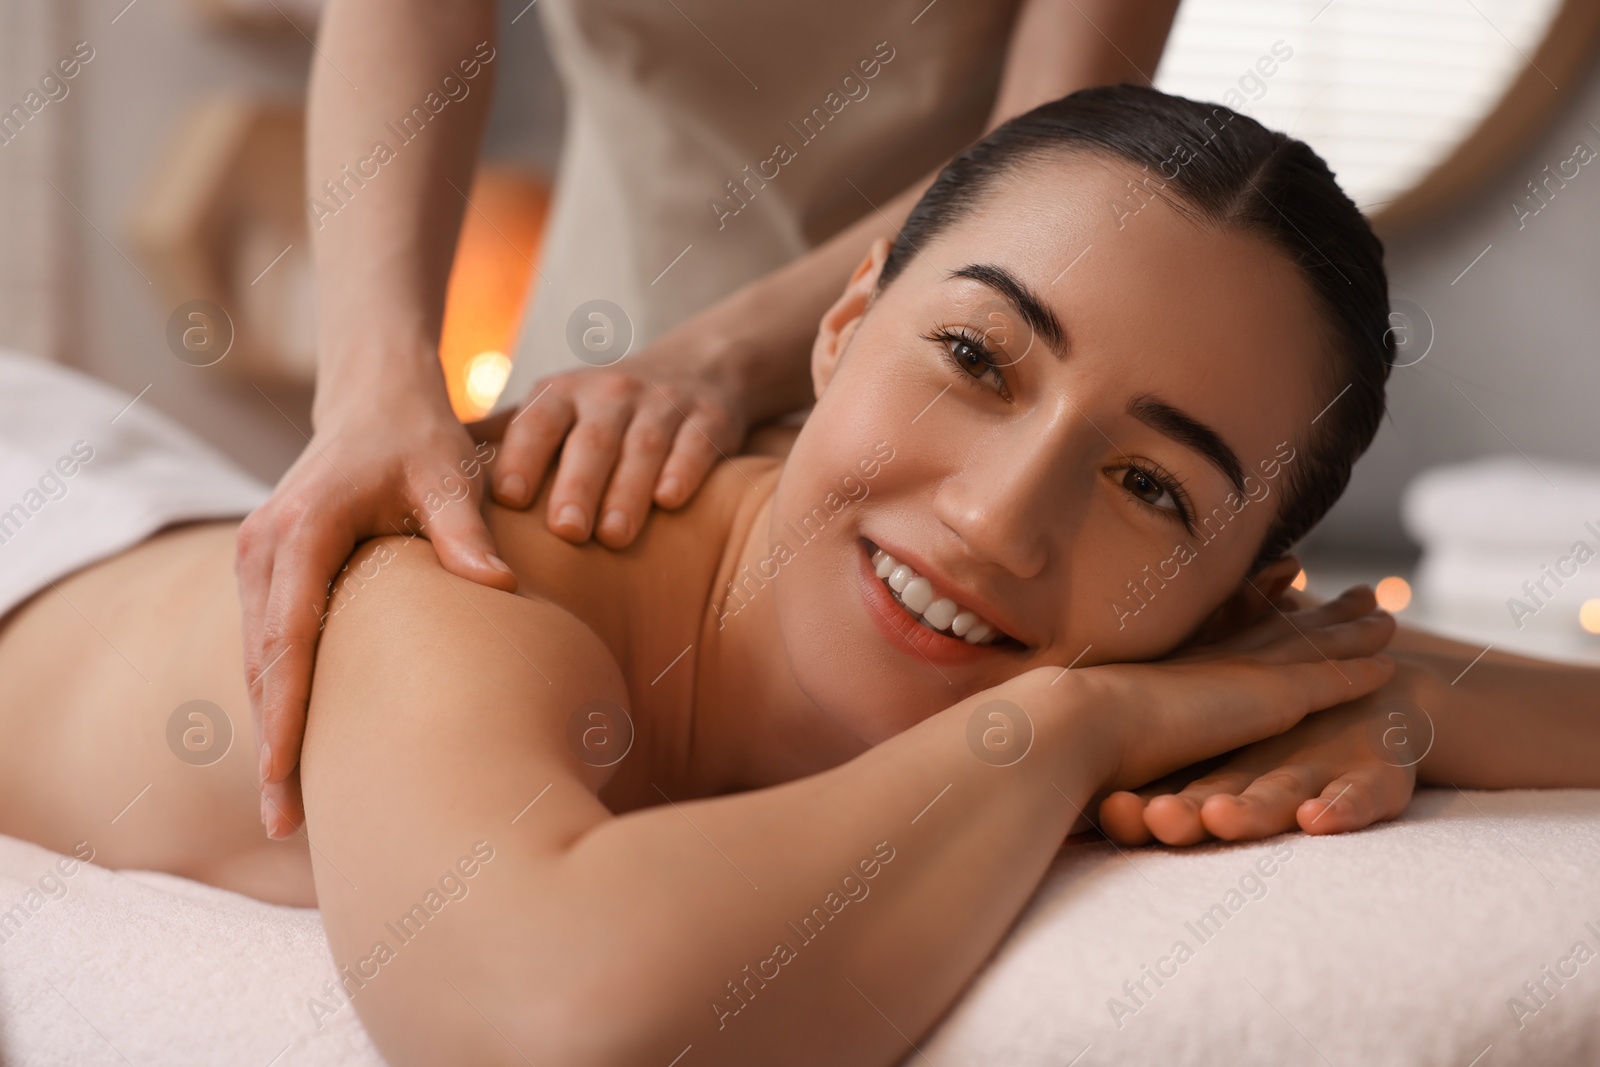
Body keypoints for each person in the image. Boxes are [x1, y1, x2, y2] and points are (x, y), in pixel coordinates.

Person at [3, 88, 1596, 1064]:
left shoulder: (1224, 633)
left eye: (1148, 483)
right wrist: (1069, 732)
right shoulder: (478, 573)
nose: (996, 517)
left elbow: (1426, 678)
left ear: (1248, 595)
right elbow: (541, 1021)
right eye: (973, 354)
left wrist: (1380, 708)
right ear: (841, 330)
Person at [240, 0, 1186, 835]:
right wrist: (374, 384)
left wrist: (727, 361)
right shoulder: (480, 600)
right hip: (601, 369)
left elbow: (1049, 157)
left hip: (934, 373)